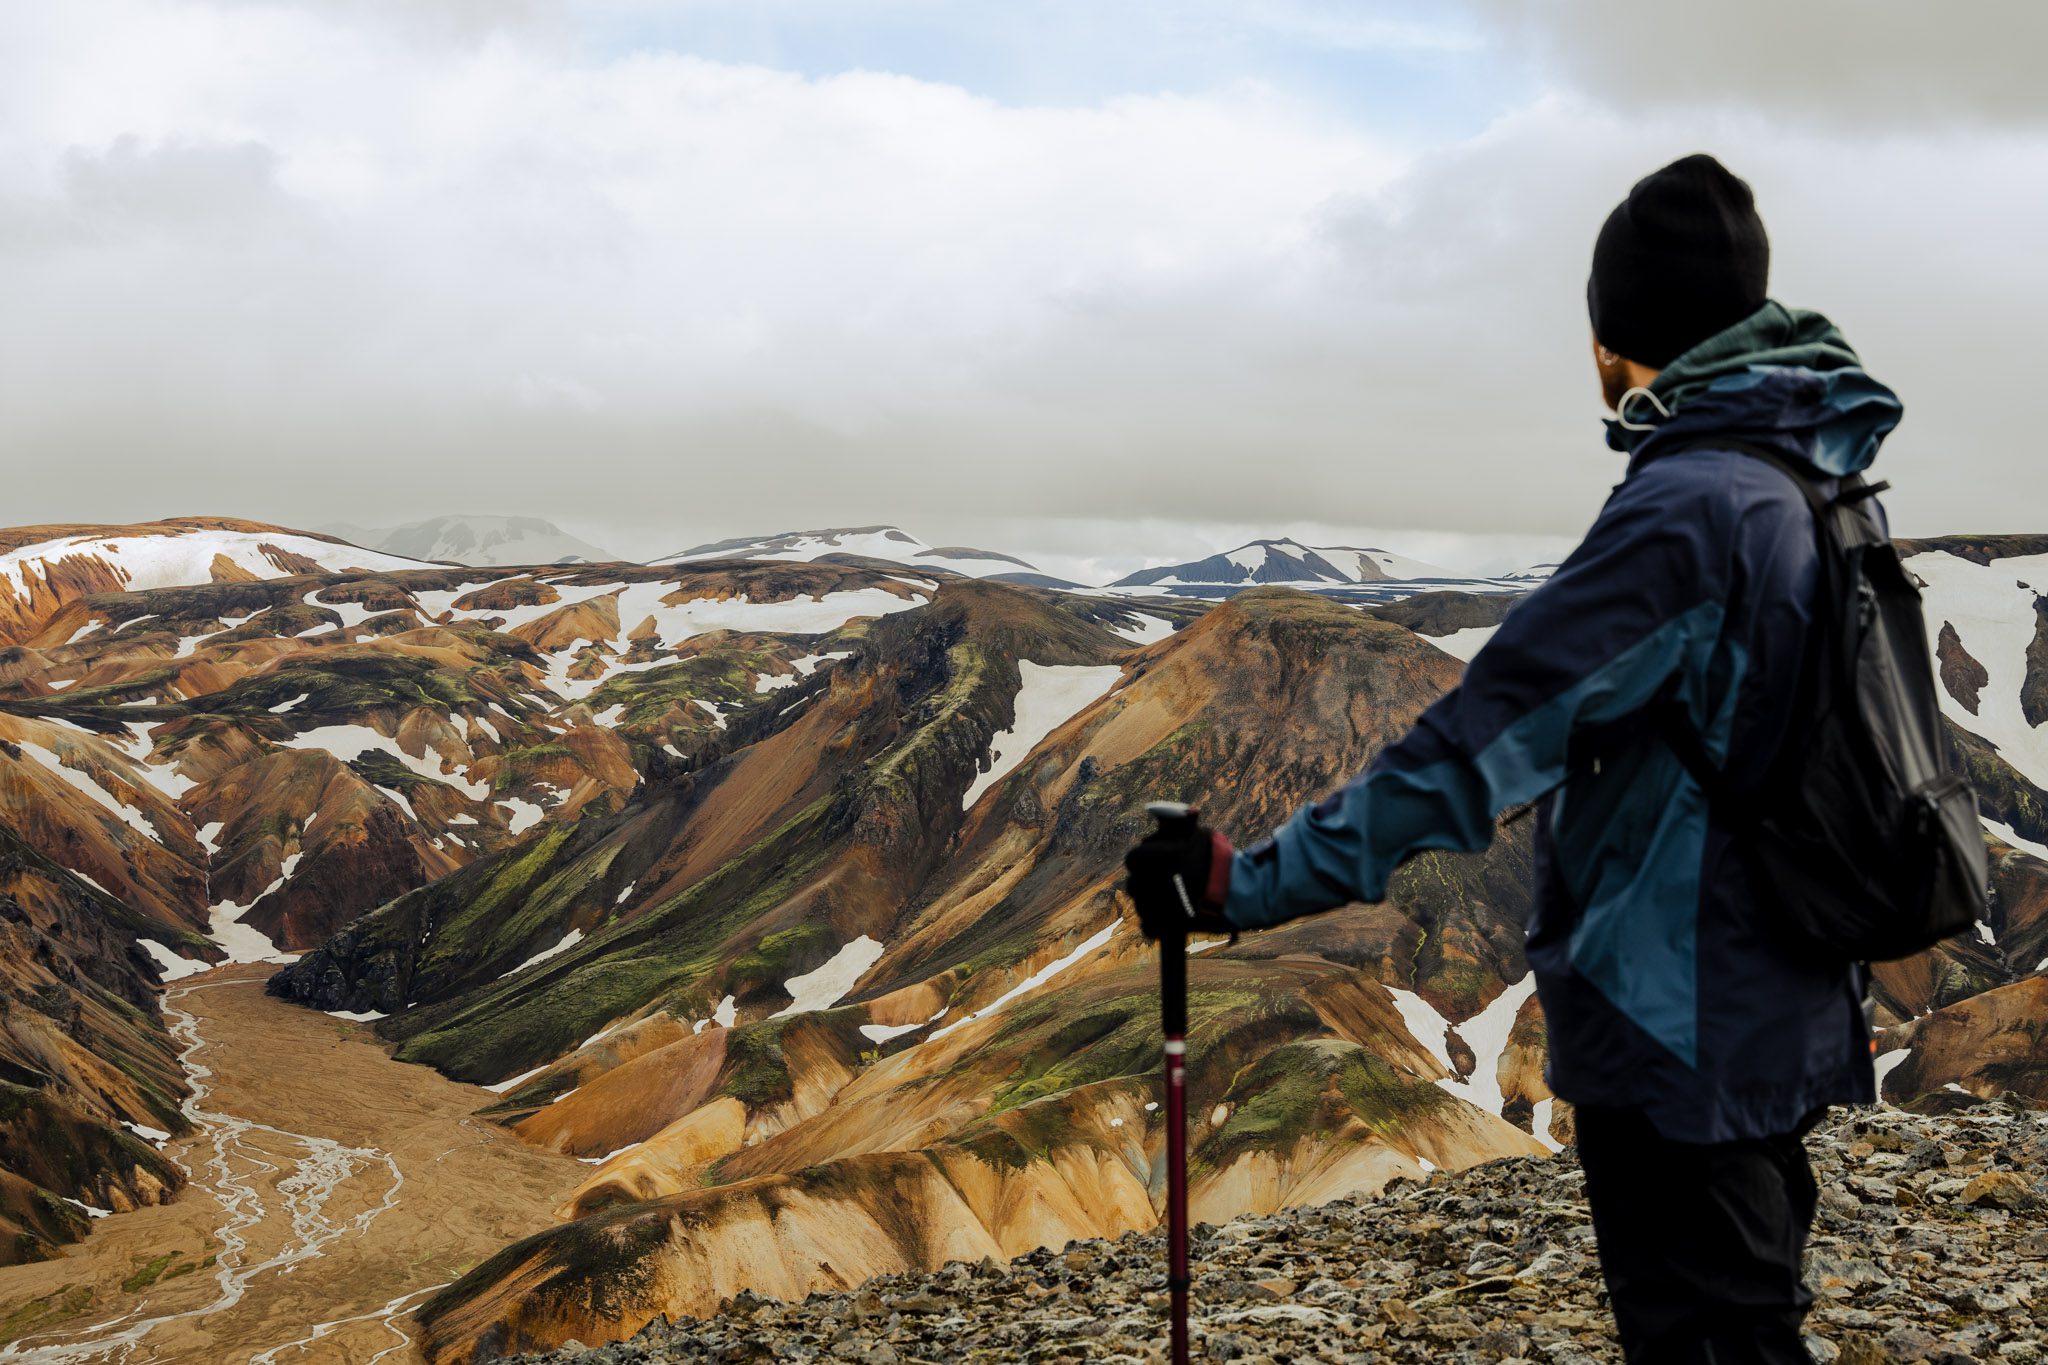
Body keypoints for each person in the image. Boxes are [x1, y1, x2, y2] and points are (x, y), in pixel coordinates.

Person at [1124, 153, 1893, 1364]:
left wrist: (1241, 885)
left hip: (1679, 1012)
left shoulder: (1685, 511)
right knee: (1745, 1313)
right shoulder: (1811, 481)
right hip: (1780, 988)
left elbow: (1471, 750)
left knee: (1703, 1330)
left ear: (1606, 341)